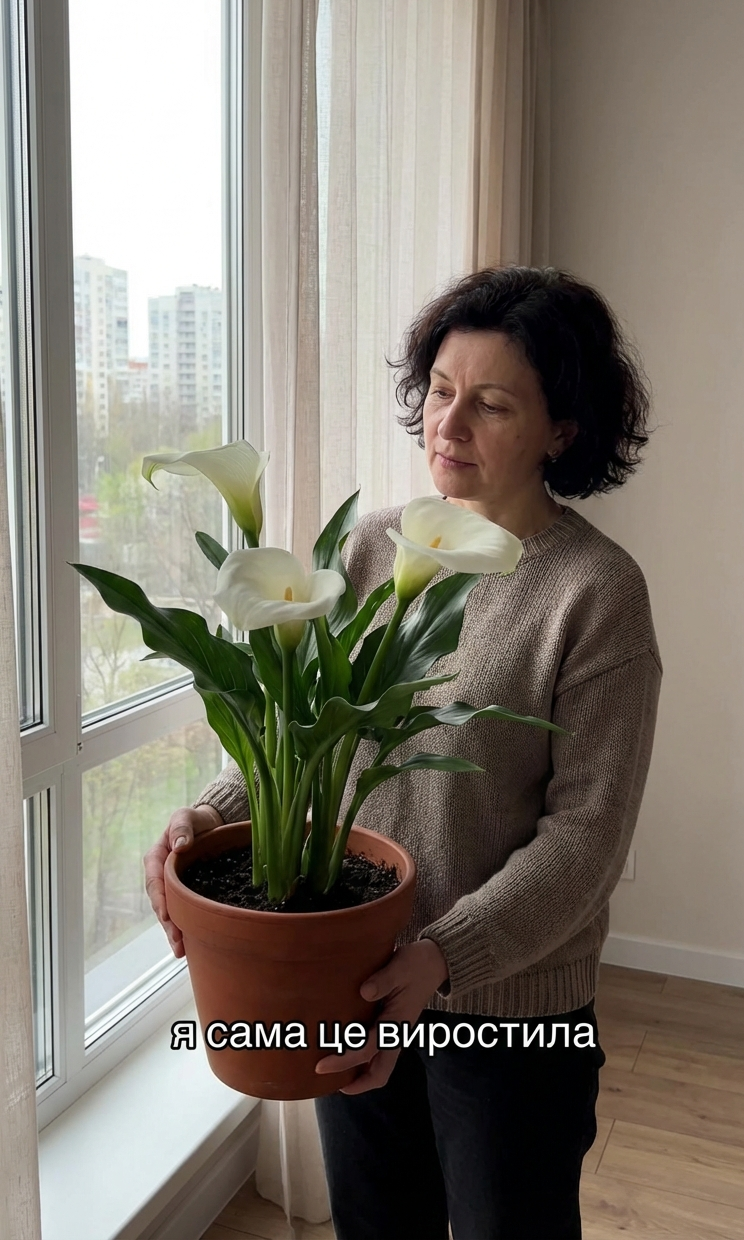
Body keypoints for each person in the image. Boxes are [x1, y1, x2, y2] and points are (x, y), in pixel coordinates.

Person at [144, 264, 663, 1240]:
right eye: (440, 389)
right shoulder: (373, 549)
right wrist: (215, 813)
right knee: (377, 1223)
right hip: (353, 971)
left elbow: (586, 839)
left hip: (509, 1012)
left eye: (492, 404)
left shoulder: (595, 593)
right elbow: (298, 728)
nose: (447, 423)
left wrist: (445, 956)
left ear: (562, 430)